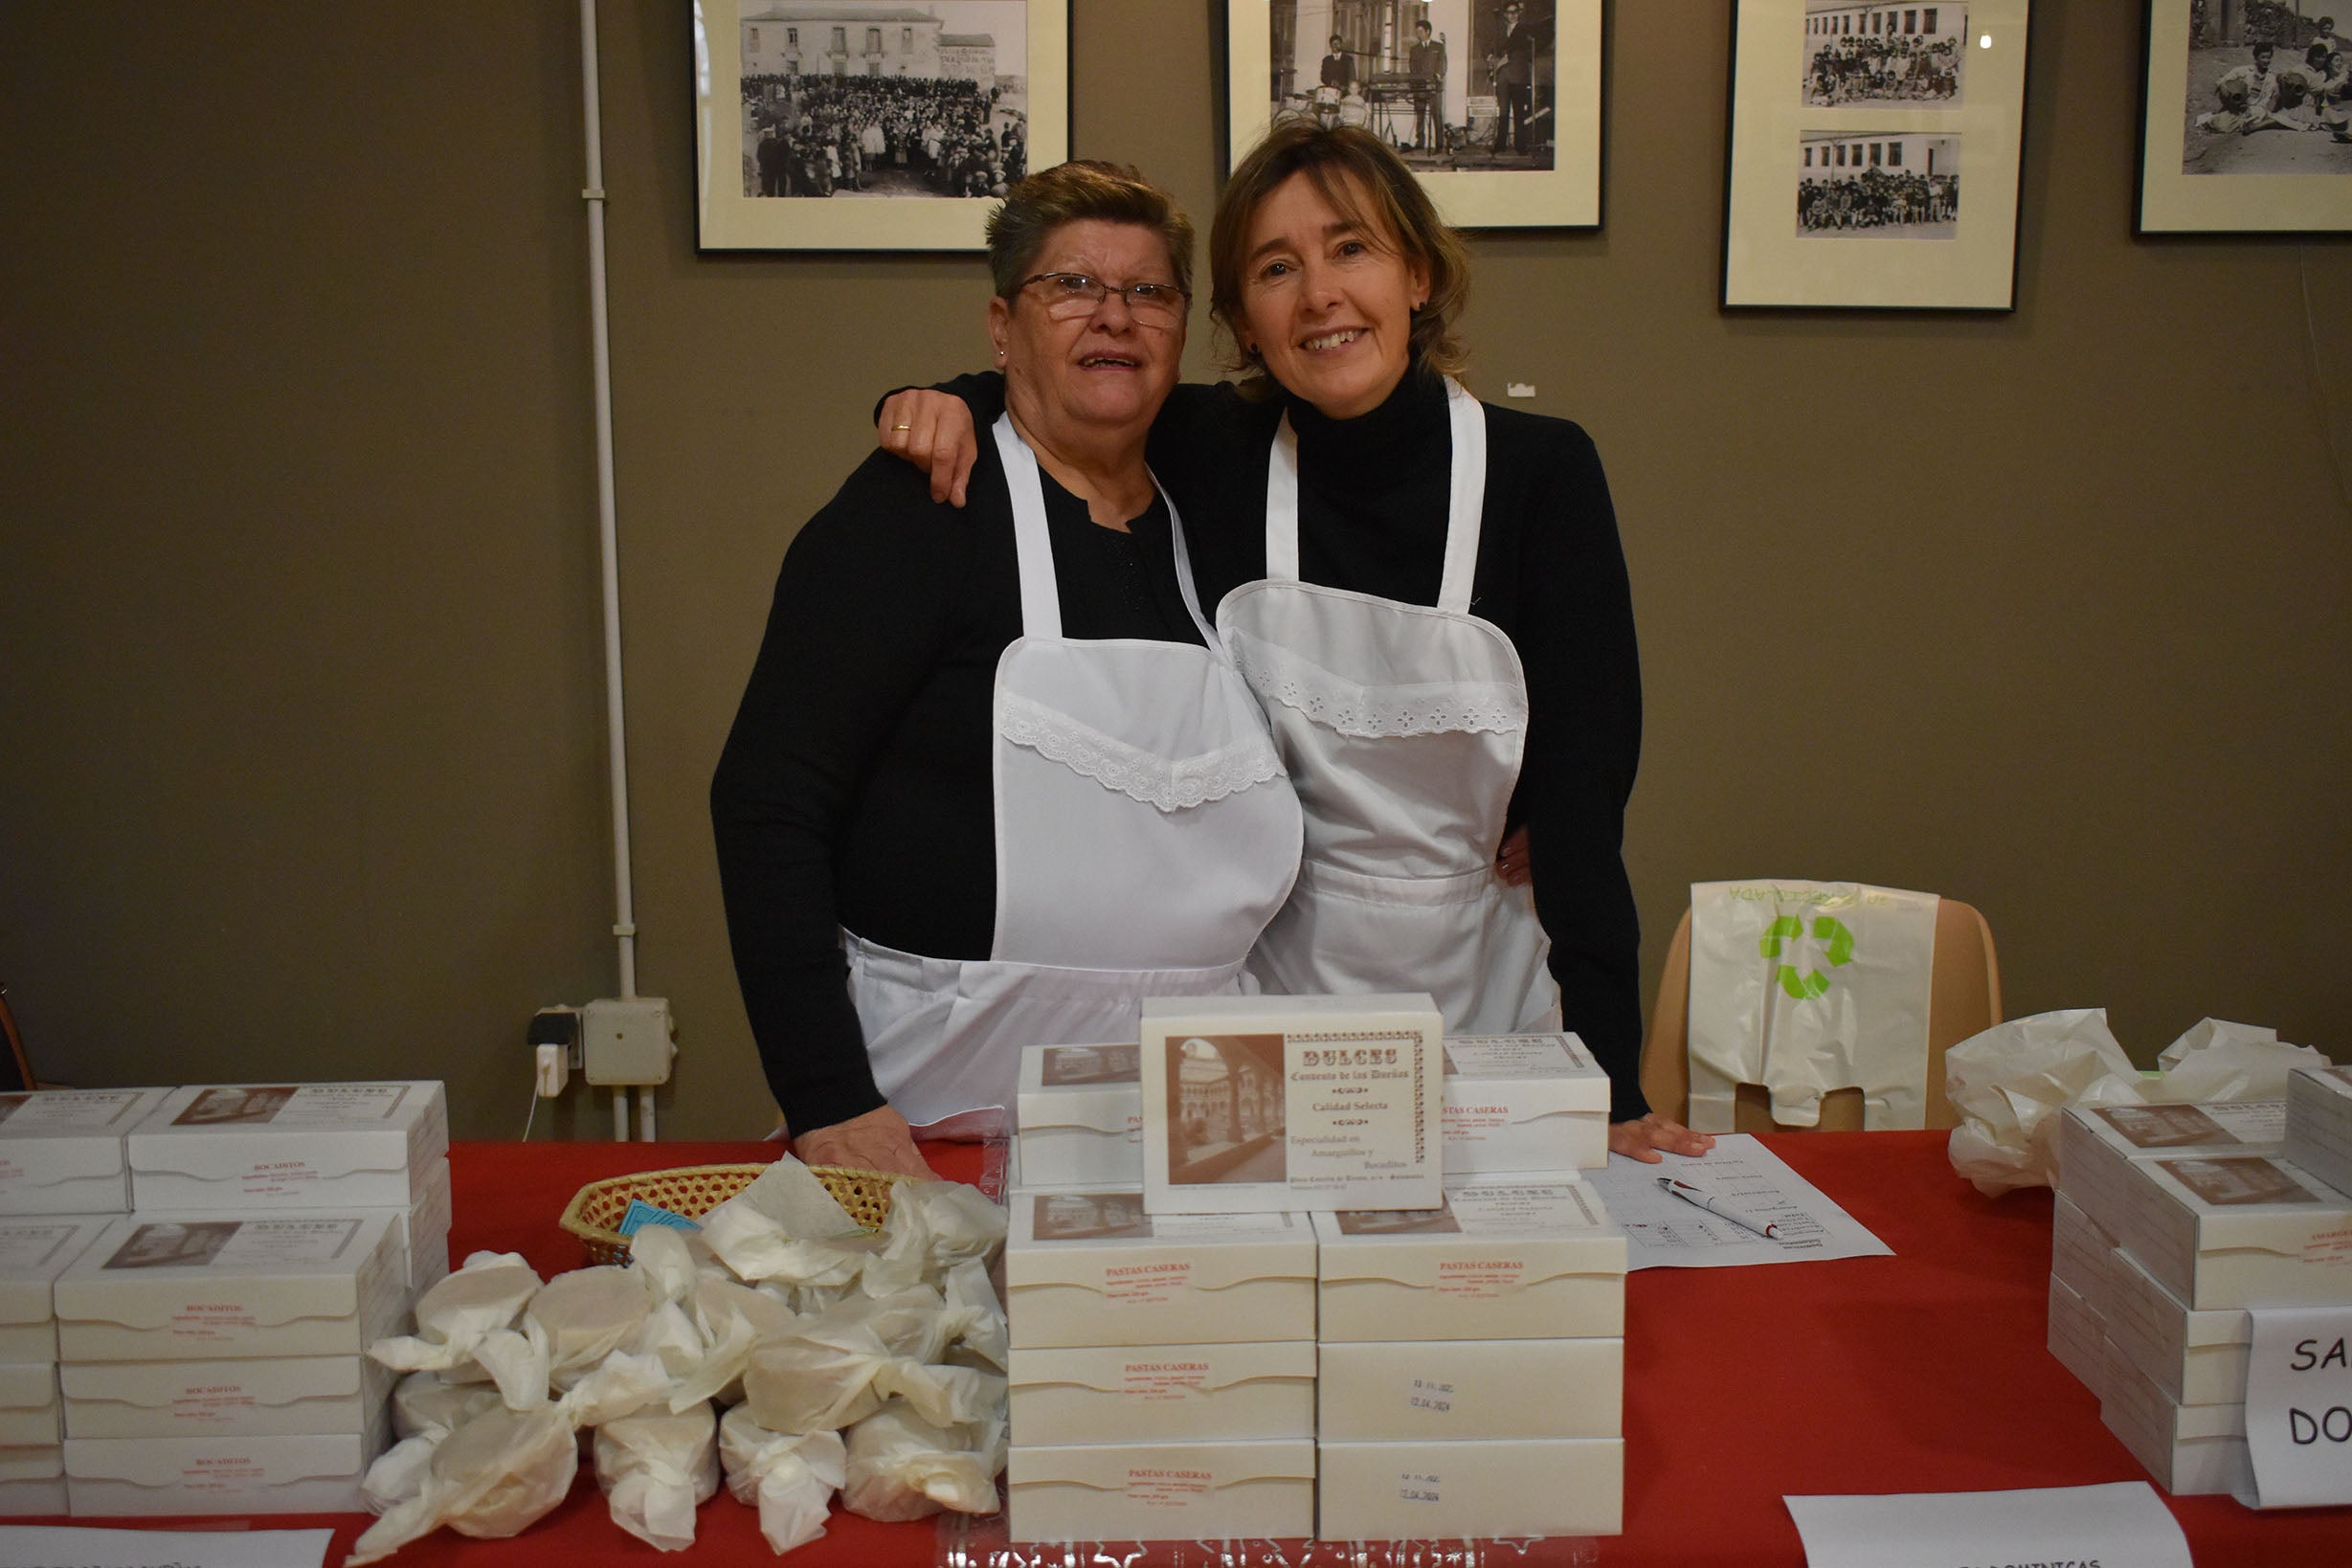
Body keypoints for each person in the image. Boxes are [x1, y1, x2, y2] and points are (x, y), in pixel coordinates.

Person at [876, 124, 1710, 1163]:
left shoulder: (1543, 476)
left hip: (1492, 995)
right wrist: (942, 404)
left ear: (1417, 272)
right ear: (1242, 323)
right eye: (1278, 268)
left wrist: (1612, 1089)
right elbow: (1073, 378)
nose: (1319, 294)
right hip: (1266, 1020)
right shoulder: (1212, 451)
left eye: (1351, 249)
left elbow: (1585, 812)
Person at [713, 162, 1303, 1177]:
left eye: (1148, 293)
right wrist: (827, 1095)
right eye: (1071, 287)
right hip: (940, 1103)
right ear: (1001, 325)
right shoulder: (918, 513)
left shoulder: (1220, 502)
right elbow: (767, 801)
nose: (1113, 318)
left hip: (1199, 1114)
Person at [1487, 2, 1537, 157]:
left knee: (1518, 112)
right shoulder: (1500, 30)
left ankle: (1520, 145)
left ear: (1519, 13)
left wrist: (1501, 61)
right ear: (1504, 15)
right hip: (1503, 77)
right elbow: (1494, 47)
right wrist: (1490, 57)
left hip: (1518, 76)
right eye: (1509, 12)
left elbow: (1513, 51)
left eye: (1515, 12)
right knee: (1503, 111)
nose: (1512, 15)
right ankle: (1500, 144)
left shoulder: (1524, 29)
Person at [1408, 19, 1446, 151]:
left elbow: (1443, 65)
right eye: (1417, 32)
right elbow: (1412, 68)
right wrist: (1417, 82)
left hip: (1434, 86)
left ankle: (1440, 144)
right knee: (1420, 114)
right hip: (1420, 87)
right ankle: (1420, 142)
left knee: (1436, 115)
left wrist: (1437, 77)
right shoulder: (1414, 49)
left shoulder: (1439, 47)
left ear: (1428, 31)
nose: (1418, 34)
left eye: (1420, 31)